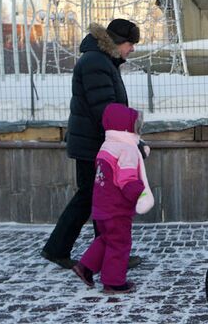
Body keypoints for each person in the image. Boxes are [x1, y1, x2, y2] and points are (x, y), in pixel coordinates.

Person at [41, 18, 144, 269]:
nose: (132, 49)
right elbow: (105, 110)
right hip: (93, 144)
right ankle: (57, 249)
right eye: (131, 44)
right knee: (90, 196)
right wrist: (126, 141)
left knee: (98, 197)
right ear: (119, 42)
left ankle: (106, 252)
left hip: (96, 141)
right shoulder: (96, 63)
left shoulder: (101, 60)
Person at [72, 103, 154, 294]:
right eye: (135, 125)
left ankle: (85, 266)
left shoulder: (107, 145)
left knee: (106, 239)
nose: (138, 129)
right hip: (117, 208)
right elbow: (126, 179)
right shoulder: (127, 149)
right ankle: (113, 282)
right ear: (125, 128)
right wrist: (139, 194)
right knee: (120, 243)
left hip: (101, 206)